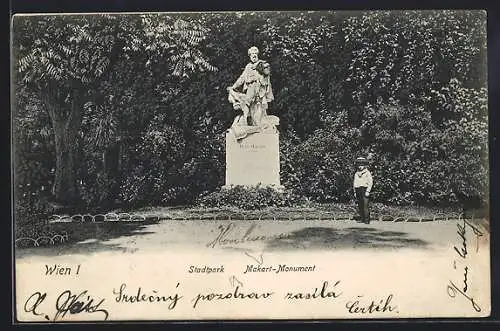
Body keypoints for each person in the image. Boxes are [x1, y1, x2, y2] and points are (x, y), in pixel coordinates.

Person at [227, 46, 275, 130]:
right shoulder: (248, 66)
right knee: (246, 106)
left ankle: (258, 127)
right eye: (252, 54)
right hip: (250, 90)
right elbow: (242, 78)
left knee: (258, 114)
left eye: (255, 54)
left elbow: (266, 78)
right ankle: (247, 123)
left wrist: (257, 78)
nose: (254, 55)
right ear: (249, 56)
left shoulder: (262, 64)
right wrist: (233, 87)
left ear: (257, 54)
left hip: (259, 91)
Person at [353, 157, 373, 224]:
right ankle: (362, 218)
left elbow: (370, 182)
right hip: (358, 189)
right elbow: (355, 183)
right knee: (360, 205)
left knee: (365, 205)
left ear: (364, 165)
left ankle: (367, 220)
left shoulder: (367, 173)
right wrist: (355, 192)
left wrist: (368, 191)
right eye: (359, 165)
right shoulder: (356, 173)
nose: (360, 167)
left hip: (364, 189)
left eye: (362, 165)